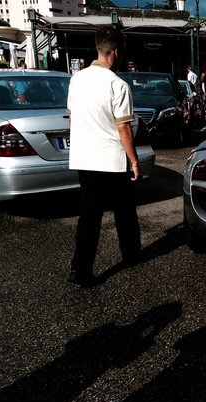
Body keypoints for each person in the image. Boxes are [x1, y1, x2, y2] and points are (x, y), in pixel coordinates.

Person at [67, 27, 142, 287]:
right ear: (117, 52)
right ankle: (131, 255)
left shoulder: (77, 79)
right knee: (124, 211)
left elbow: (72, 115)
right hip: (112, 158)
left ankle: (80, 269)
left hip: (85, 157)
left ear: (99, 48)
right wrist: (134, 161)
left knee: (89, 215)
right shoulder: (118, 85)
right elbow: (123, 127)